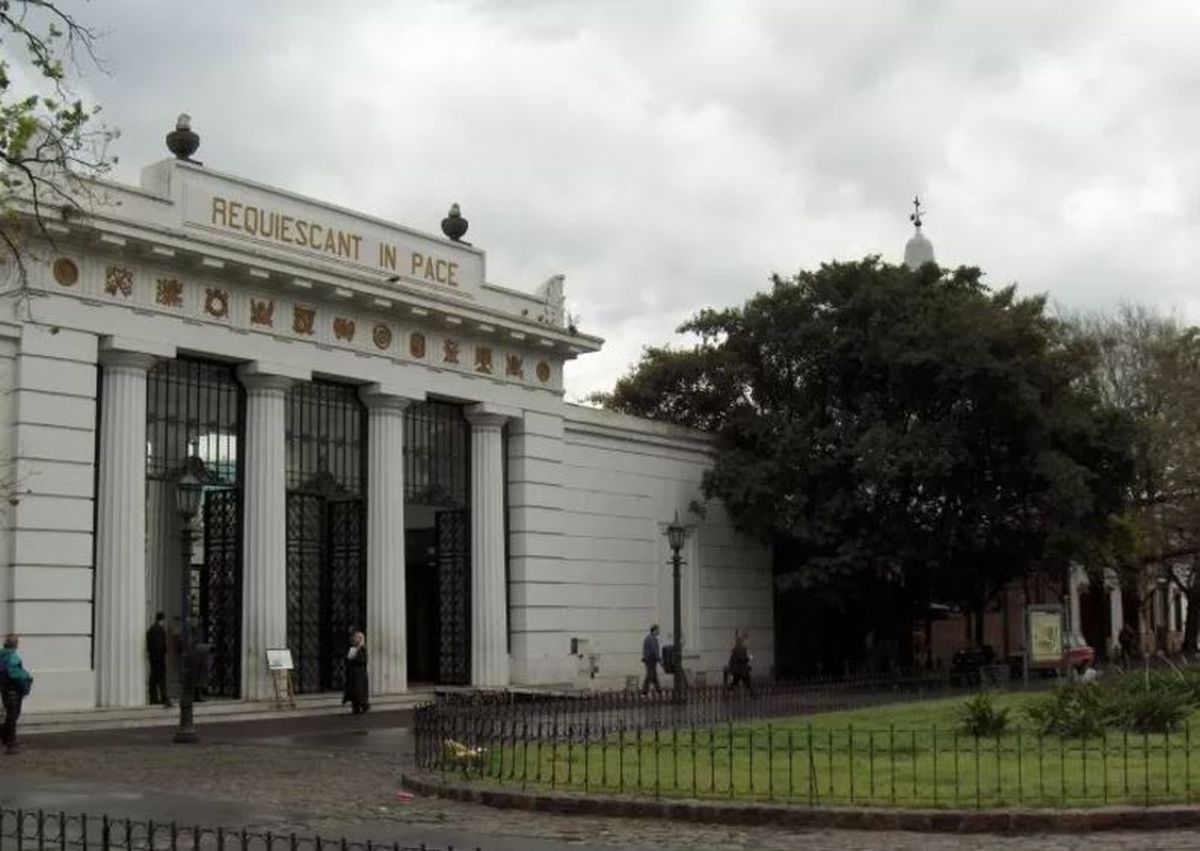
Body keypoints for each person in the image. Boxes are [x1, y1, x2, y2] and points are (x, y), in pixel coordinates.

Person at [0, 634, 33, 754]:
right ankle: (11, 743)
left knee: (11, 715)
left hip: (4, 689)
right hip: (13, 690)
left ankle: (6, 739)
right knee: (13, 715)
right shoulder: (12, 657)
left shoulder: (2, 655)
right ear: (15, 644)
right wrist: (27, 677)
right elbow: (15, 674)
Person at [146, 612, 171, 708]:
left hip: (153, 657)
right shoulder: (160, 630)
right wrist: (163, 652)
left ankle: (153, 697)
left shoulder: (151, 630)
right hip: (159, 657)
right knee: (161, 678)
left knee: (153, 678)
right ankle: (164, 698)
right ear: (162, 619)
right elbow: (160, 645)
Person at [343, 630, 369, 714]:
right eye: (355, 638)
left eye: (357, 638)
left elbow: (363, 660)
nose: (355, 639)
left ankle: (363, 705)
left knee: (360, 691)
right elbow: (348, 659)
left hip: (360, 674)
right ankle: (355, 706)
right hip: (352, 674)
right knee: (353, 691)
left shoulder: (363, 649)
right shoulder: (352, 649)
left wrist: (354, 657)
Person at [727, 630, 754, 695]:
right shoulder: (740, 648)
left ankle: (728, 692)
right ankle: (752, 693)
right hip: (740, 669)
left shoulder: (739, 647)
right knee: (745, 680)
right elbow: (742, 659)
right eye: (746, 640)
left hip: (738, 669)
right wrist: (749, 658)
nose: (747, 642)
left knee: (737, 681)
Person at [640, 624, 661, 696]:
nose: (659, 631)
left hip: (649, 659)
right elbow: (654, 650)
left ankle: (658, 690)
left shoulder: (648, 638)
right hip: (650, 660)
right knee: (649, 675)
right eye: (658, 630)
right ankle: (644, 692)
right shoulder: (652, 639)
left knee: (653, 675)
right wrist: (659, 659)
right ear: (654, 630)